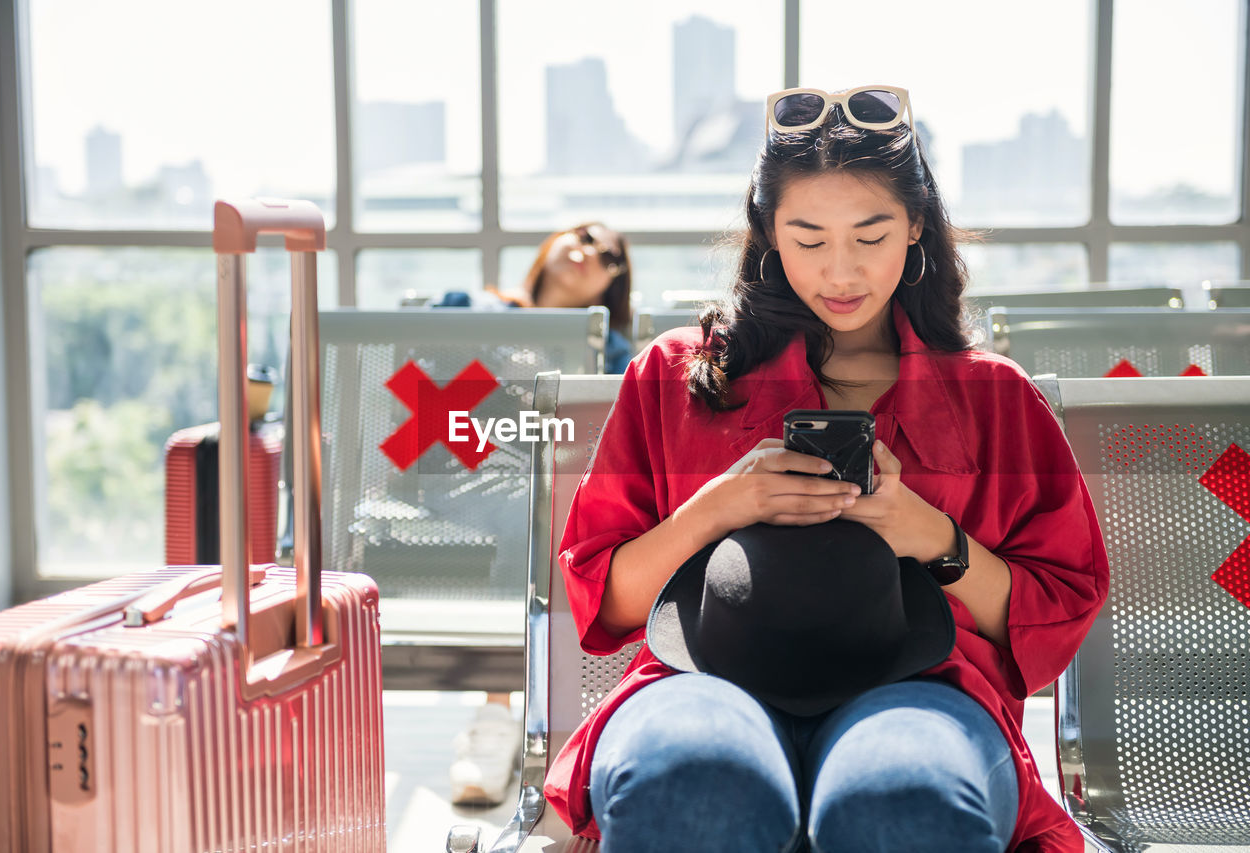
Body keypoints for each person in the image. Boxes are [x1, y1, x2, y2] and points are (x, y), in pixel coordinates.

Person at [541, 85, 1110, 851]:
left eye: (870, 236)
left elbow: (1055, 612)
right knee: (692, 781)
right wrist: (716, 508)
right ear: (769, 231)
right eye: (808, 239)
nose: (840, 271)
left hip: (928, 688)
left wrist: (934, 537)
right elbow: (602, 604)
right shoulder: (675, 373)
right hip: (703, 679)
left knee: (904, 801)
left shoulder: (994, 398)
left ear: (916, 225)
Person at [448, 221, 634, 807]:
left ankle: (510, 722)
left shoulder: (618, 355)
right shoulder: (471, 309)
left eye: (606, 255)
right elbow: (418, 400)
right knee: (530, 506)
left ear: (612, 283)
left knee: (539, 504)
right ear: (550, 244)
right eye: (580, 237)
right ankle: (511, 721)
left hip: (541, 496)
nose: (586, 253)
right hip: (456, 479)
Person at [437, 222, 634, 373]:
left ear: (609, 290)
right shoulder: (460, 309)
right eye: (586, 237)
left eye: (608, 258)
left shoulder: (609, 353)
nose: (589, 252)